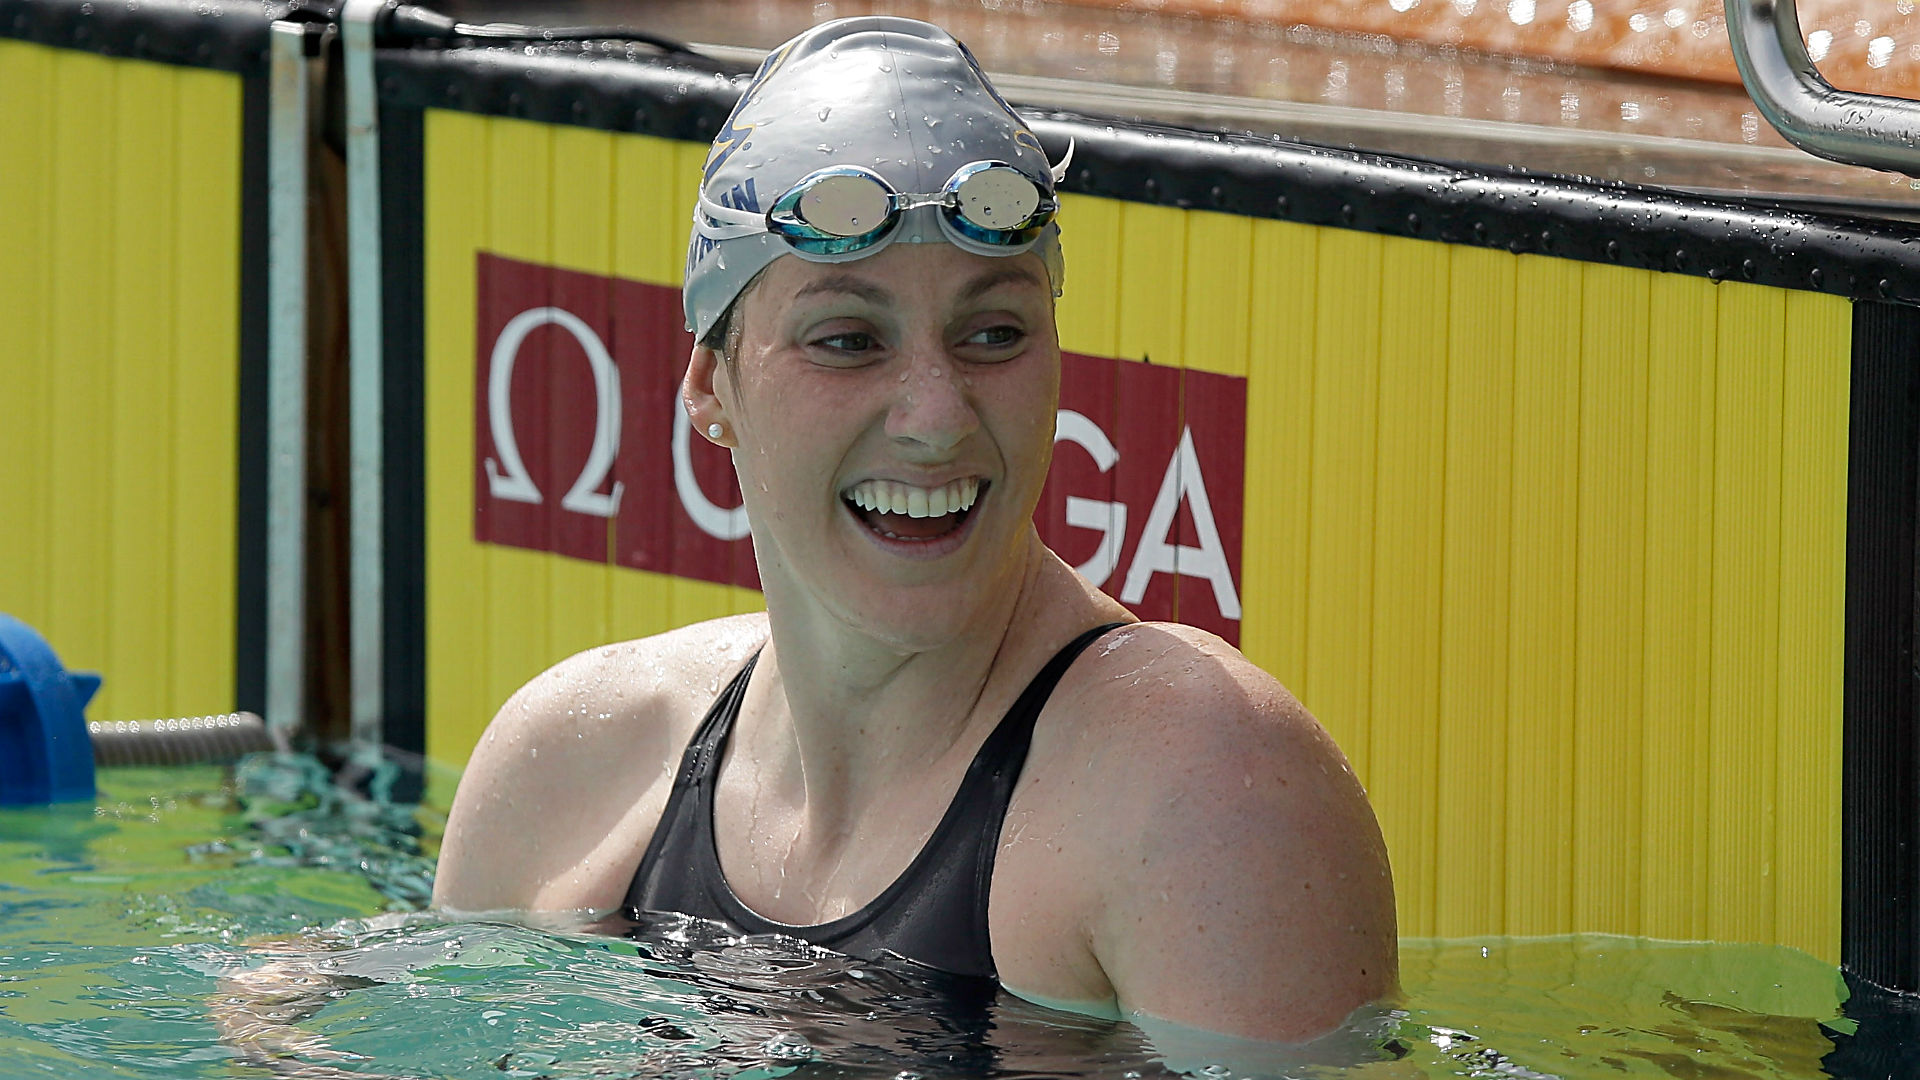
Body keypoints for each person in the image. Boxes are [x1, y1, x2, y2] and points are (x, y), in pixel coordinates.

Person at [432, 15, 1396, 1044]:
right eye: (848, 340)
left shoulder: (1206, 797)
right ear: (713, 386)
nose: (936, 420)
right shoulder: (571, 767)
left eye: (995, 333)